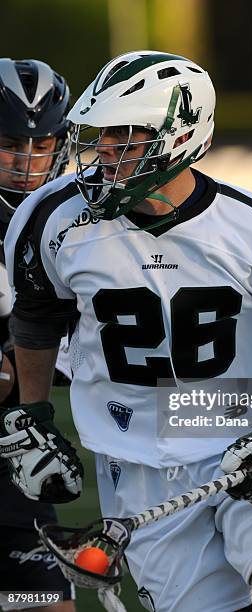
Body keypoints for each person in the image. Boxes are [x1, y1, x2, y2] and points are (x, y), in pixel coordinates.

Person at [1, 51, 252, 612]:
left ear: (178, 137)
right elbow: (36, 316)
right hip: (136, 465)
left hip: (248, 433)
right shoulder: (50, 217)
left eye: (125, 138)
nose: (103, 154)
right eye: (98, 136)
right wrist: (31, 413)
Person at [0, 58, 75, 611]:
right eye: (9, 144)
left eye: (42, 145)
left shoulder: (70, 223)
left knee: (42, 601)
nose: (27, 162)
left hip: (15, 467)